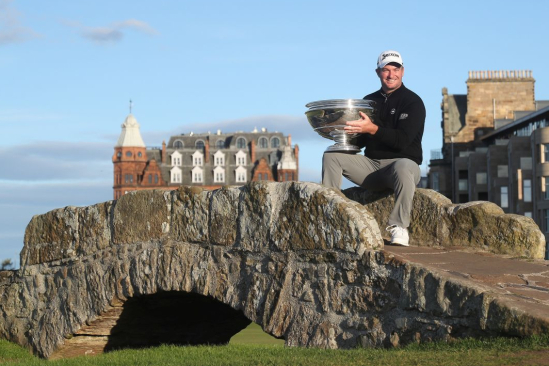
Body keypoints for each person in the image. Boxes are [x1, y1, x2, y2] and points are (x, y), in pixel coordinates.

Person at [322, 50, 425, 246]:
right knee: (331, 156)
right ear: (377, 72)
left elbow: (402, 141)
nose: (390, 74)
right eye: (385, 70)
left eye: (395, 69)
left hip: (403, 167)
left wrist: (372, 129)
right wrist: (341, 134)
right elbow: (360, 142)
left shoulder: (413, 102)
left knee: (403, 166)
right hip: (371, 167)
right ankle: (330, 217)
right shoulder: (368, 101)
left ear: (403, 71)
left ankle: (399, 227)